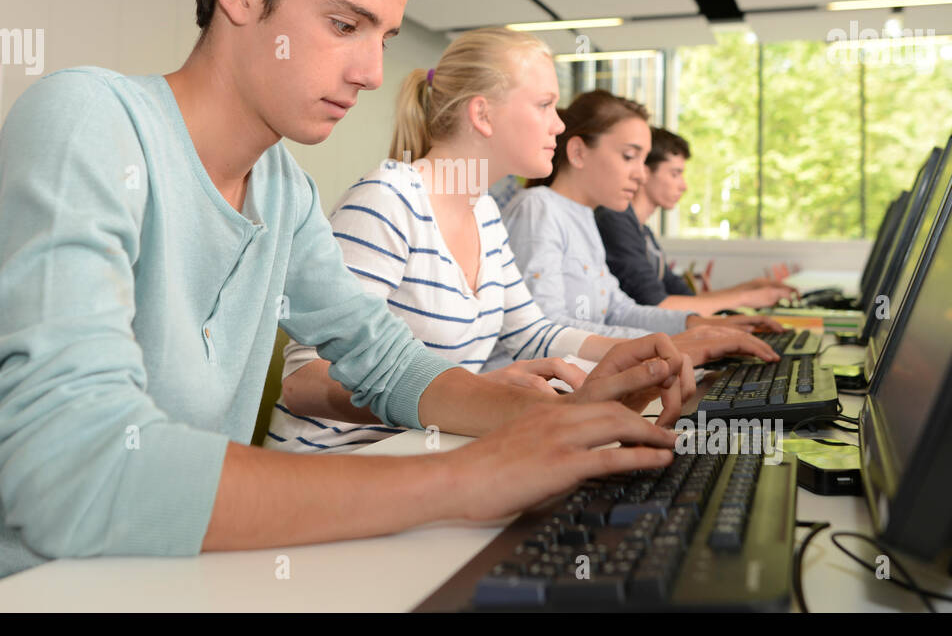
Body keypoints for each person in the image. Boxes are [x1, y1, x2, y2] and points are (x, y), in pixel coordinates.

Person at [0, 0, 706, 612]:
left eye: (385, 34)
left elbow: (387, 360)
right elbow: (76, 474)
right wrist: (470, 479)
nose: (369, 70)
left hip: (131, 579)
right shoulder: (85, 121)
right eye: (343, 24)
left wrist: (552, 411)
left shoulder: (280, 185)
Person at [268, 29, 778, 451]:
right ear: (483, 114)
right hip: (339, 464)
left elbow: (534, 333)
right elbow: (306, 381)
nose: (559, 124)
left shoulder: (484, 211)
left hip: (428, 451)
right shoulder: (388, 201)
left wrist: (648, 354)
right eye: (545, 105)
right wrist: (468, 394)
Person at [502, 91, 783, 341]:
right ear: (578, 152)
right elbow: (546, 327)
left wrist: (699, 324)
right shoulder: (538, 209)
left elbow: (618, 310)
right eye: (629, 156)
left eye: (643, 159)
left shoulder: (585, 218)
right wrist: (665, 344)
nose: (640, 174)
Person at [595, 127, 797, 310]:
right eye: (675, 174)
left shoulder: (643, 232)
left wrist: (750, 288)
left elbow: (687, 297)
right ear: (645, 173)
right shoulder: (615, 221)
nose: (684, 186)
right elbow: (659, 304)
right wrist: (745, 298)